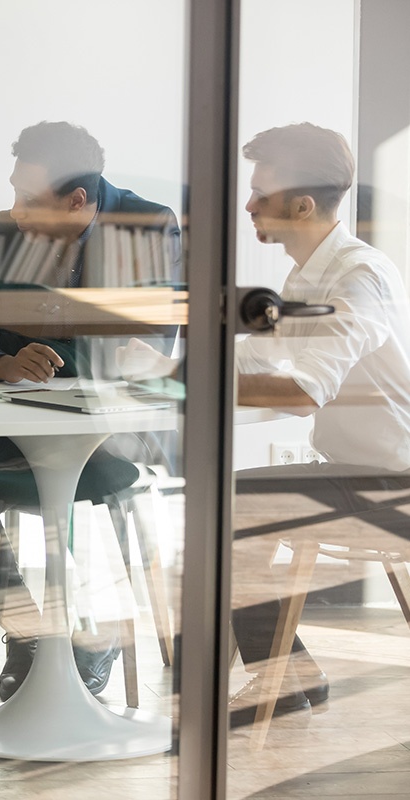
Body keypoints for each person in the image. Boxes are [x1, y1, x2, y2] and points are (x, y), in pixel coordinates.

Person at [0, 121, 182, 701]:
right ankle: (35, 636)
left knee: (78, 502)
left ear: (77, 201)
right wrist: (0, 363)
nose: (14, 211)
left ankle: (94, 633)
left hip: (109, 432)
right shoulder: (5, 231)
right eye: (13, 192)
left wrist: (53, 356)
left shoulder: (147, 226)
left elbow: (147, 345)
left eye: (28, 200)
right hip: (13, 427)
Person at [230, 123, 410, 725]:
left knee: (227, 504)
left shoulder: (360, 278)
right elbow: (259, 357)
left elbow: (305, 390)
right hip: (356, 469)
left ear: (301, 205)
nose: (249, 204)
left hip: (395, 483)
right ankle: (282, 673)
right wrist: (167, 364)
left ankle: (279, 676)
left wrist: (184, 385)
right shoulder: (307, 275)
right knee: (228, 501)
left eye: (260, 192)